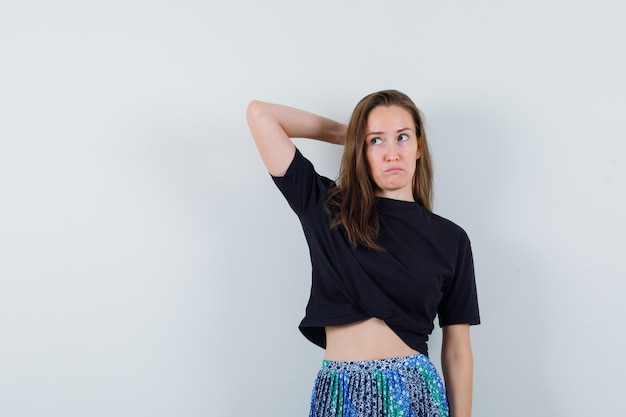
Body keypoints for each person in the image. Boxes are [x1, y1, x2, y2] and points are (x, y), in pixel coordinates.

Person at [246, 90, 480, 417]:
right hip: (340, 394)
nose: (392, 153)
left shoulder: (450, 239)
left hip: (413, 392)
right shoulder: (326, 208)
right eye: (376, 141)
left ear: (419, 146)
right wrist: (351, 134)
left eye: (402, 137)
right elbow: (261, 115)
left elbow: (457, 350)